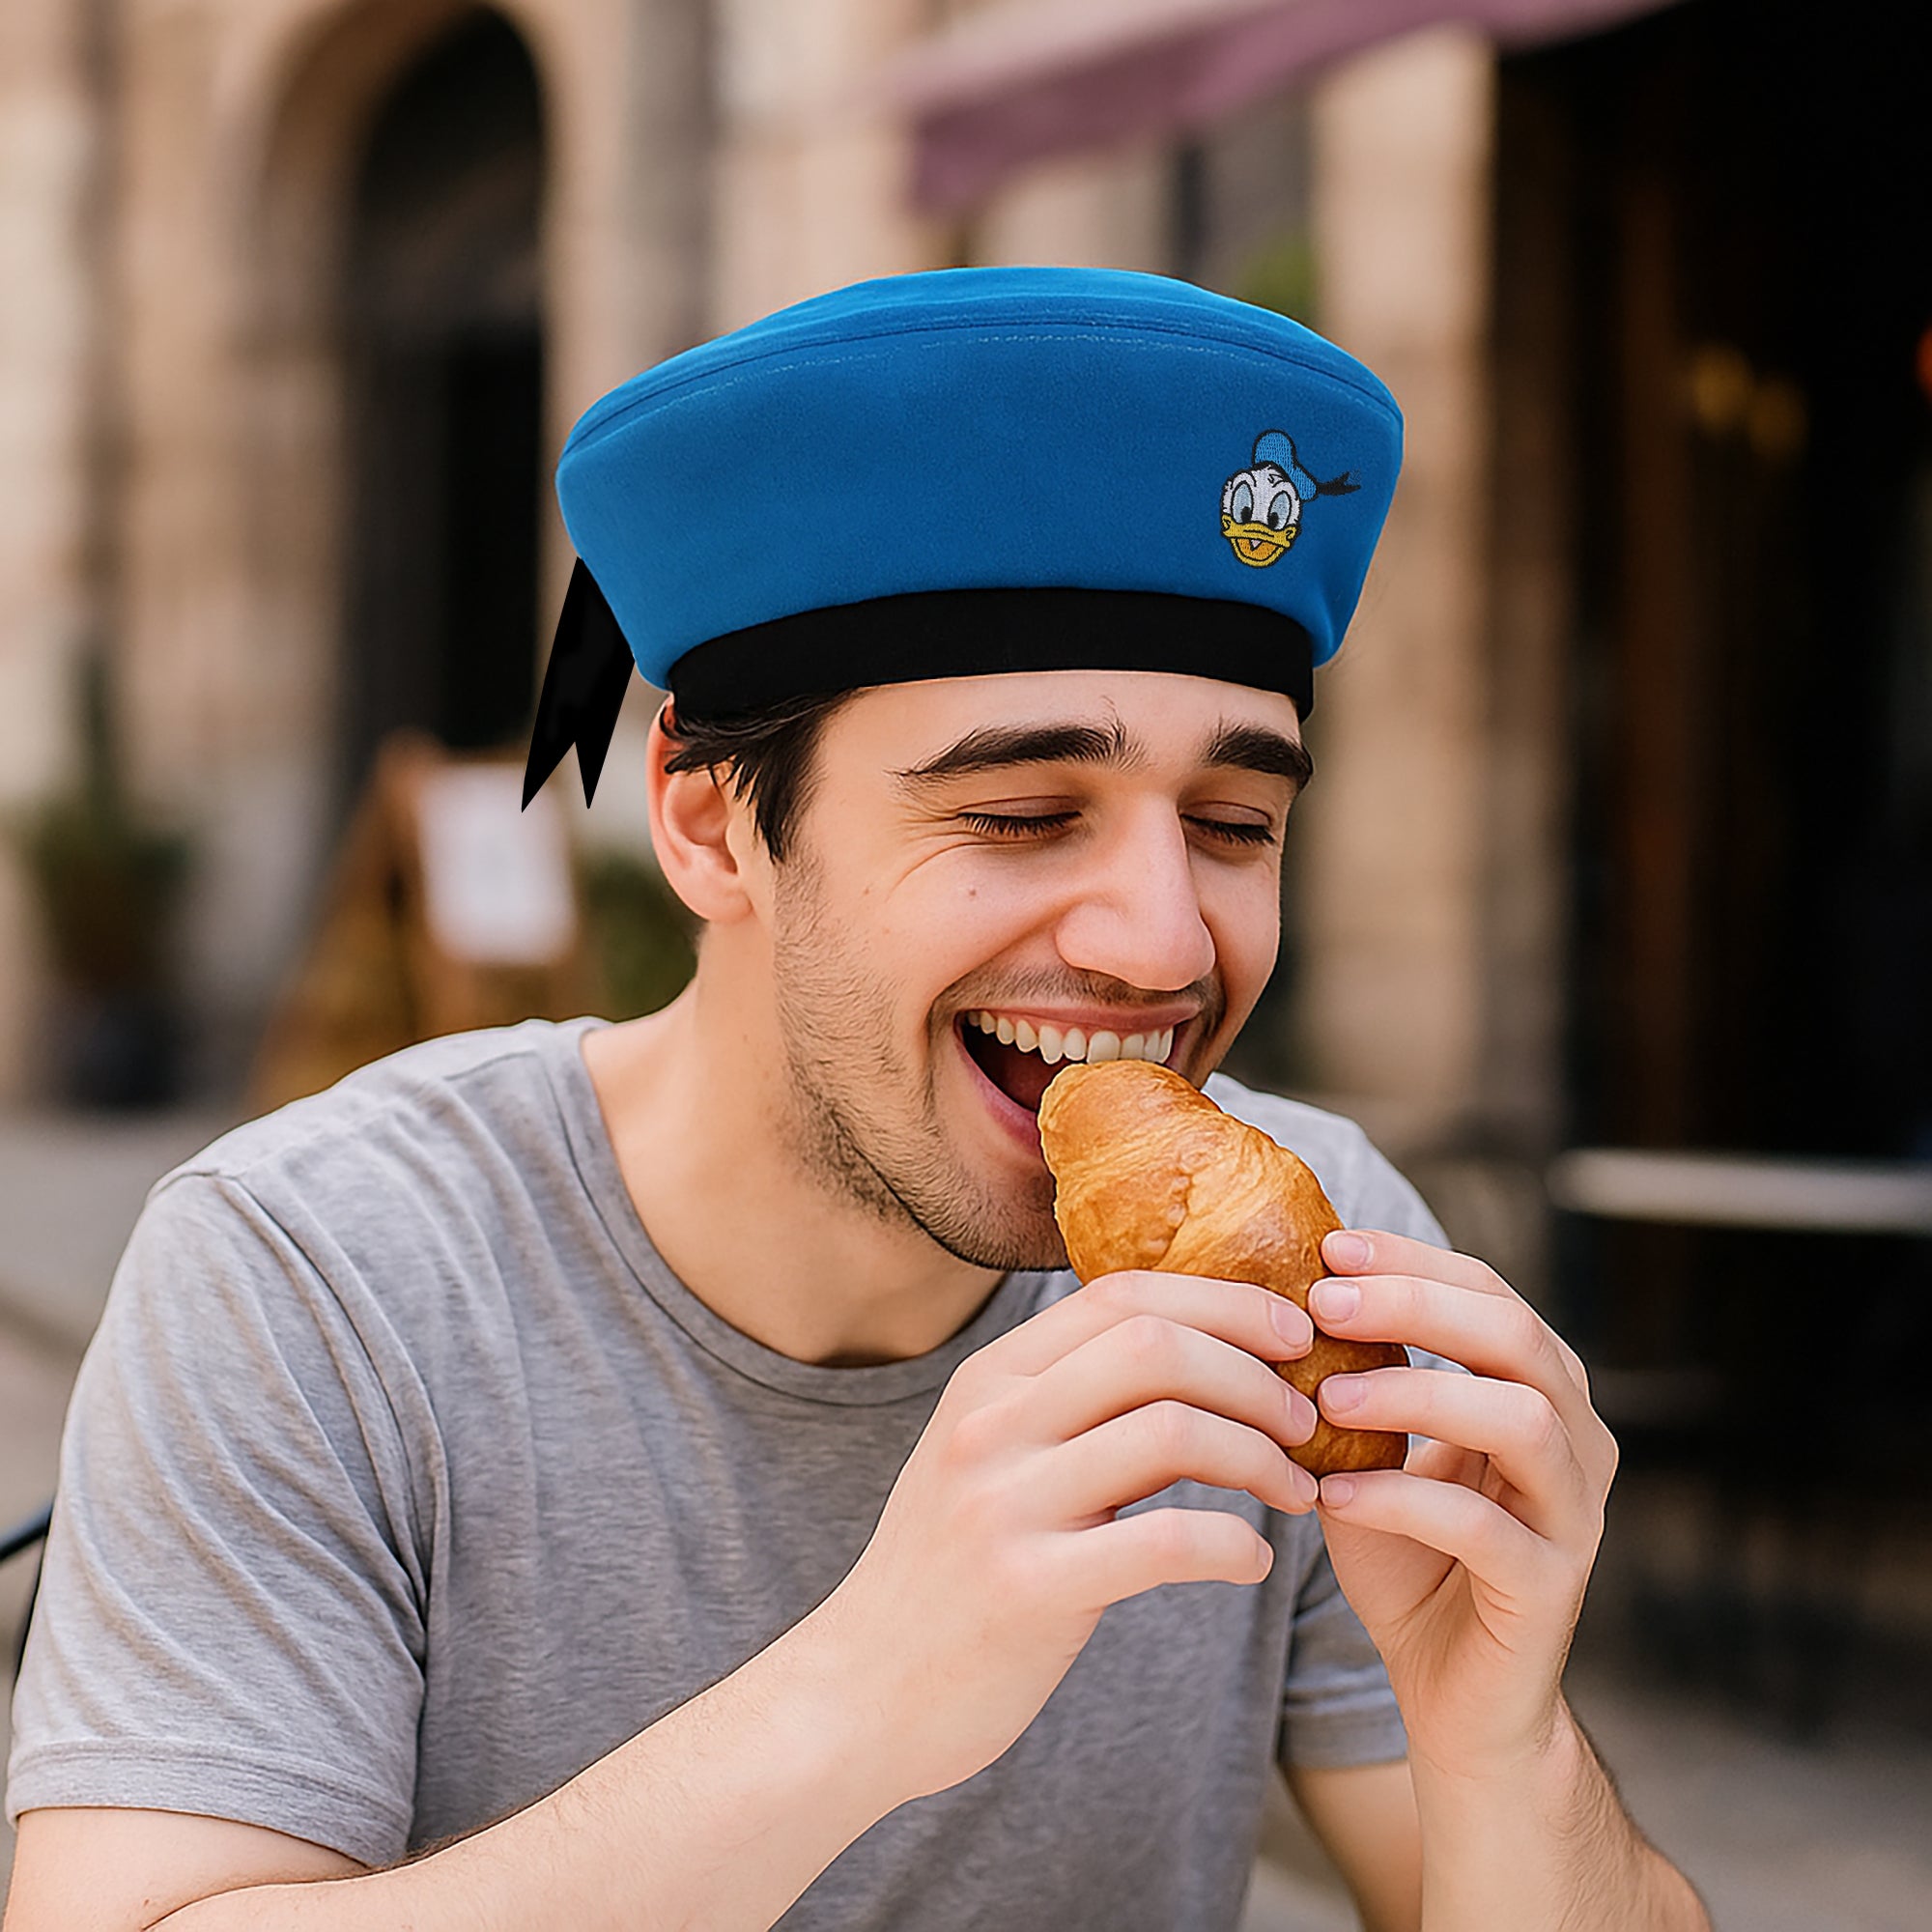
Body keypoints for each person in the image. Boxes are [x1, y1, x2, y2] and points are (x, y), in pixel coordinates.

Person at [3, 268, 1707, 1930]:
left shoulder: (1314, 1270)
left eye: (1236, 825)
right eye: (1024, 814)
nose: (1165, 938)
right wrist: (849, 1705)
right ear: (708, 820)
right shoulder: (321, 1275)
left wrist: (1505, 1746)